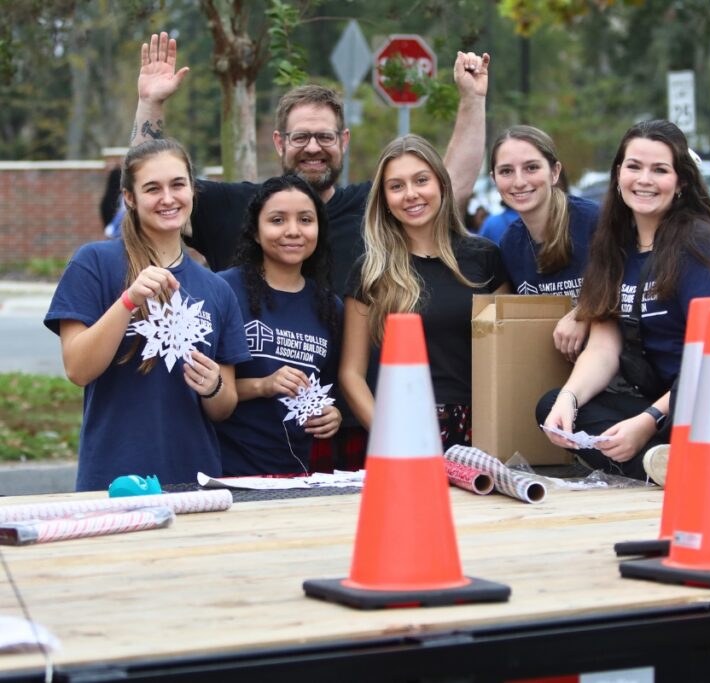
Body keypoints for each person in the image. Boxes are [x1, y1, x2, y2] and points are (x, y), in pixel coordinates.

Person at [132, 31, 490, 465]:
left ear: (344, 142)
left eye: (324, 137)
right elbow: (154, 193)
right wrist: (151, 104)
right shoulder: (236, 207)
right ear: (279, 143)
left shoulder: (373, 210)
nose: (313, 148)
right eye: (300, 138)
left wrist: (472, 101)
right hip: (248, 439)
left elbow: (447, 187)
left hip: (354, 422)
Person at [537, 120, 710, 480]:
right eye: (634, 166)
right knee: (550, 407)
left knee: (705, 374)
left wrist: (648, 421)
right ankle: (668, 464)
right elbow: (604, 348)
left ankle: (661, 455)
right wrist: (568, 400)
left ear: (680, 181)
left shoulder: (699, 242)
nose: (644, 179)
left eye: (660, 170)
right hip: (680, 405)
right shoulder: (612, 248)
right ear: (619, 173)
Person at [45, 139, 250, 491]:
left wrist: (213, 385)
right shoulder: (94, 263)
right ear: (129, 198)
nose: (168, 198)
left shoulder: (217, 289)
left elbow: (224, 406)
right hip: (112, 478)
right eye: (152, 188)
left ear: (192, 190)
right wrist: (128, 301)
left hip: (195, 481)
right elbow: (77, 369)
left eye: (178, 184)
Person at [341, 135, 509, 451]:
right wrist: (389, 437)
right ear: (384, 200)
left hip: (485, 429)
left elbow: (507, 356)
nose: (411, 194)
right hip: (404, 429)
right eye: (396, 186)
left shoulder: (484, 257)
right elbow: (351, 374)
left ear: (442, 185)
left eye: (421, 180)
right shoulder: (371, 272)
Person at [215, 175, 343, 476]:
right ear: (256, 232)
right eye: (277, 220)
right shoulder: (223, 290)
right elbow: (202, 387)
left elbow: (330, 389)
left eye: (305, 220)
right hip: (226, 471)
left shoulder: (330, 307)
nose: (293, 231)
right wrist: (264, 385)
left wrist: (333, 414)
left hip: (296, 473)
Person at [489, 125, 599, 361]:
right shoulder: (510, 243)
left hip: (613, 369)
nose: (519, 182)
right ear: (493, 179)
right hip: (550, 366)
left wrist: (583, 312)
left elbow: (627, 288)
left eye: (531, 168)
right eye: (506, 171)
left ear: (555, 172)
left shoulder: (594, 222)